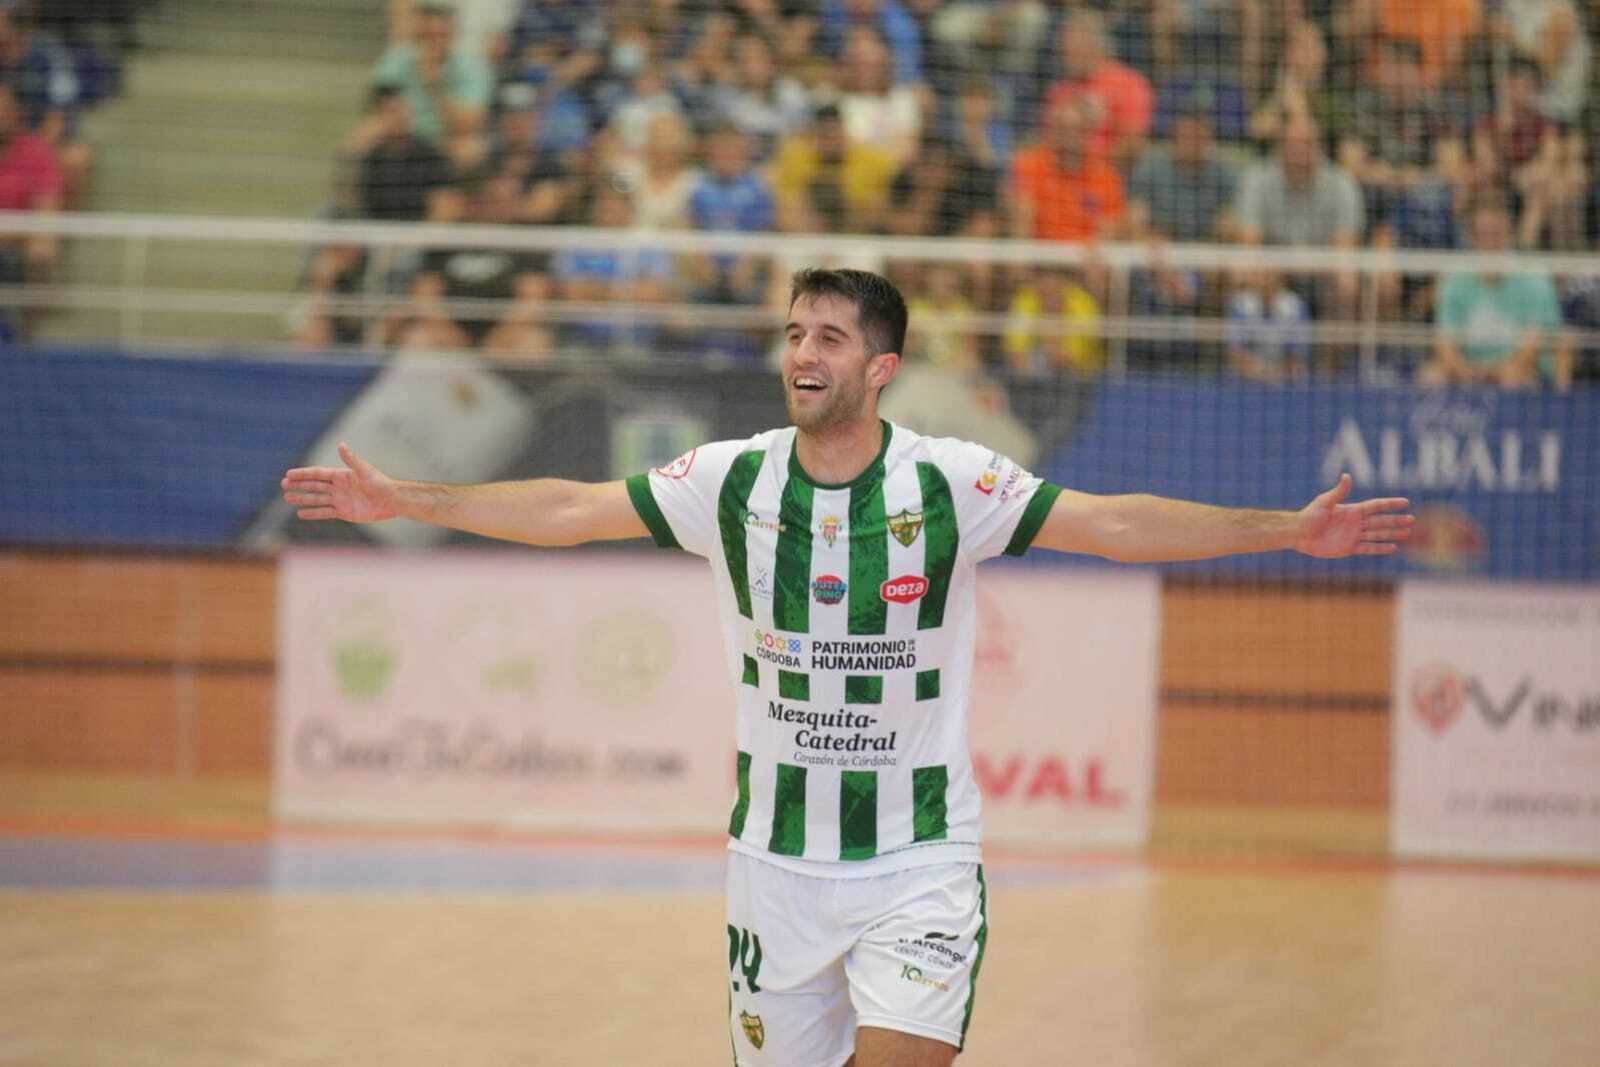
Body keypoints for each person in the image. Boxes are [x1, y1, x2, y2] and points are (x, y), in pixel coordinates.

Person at [282, 267, 1414, 1066]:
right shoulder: (728, 478)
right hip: (772, 863)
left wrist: (1278, 527)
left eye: (825, 337)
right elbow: (572, 505)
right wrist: (408, 499)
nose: (800, 354)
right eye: (790, 333)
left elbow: (1115, 524)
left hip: (917, 856)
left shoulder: (950, 482)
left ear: (880, 367)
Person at [1420, 197, 1568, 388]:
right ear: (1472, 238)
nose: (1490, 242)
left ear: (1509, 234)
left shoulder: (1534, 280)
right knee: (1431, 377)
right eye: (1483, 234)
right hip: (1467, 367)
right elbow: (1445, 341)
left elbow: (1530, 348)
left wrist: (1496, 372)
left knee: (1512, 379)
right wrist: (1464, 371)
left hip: (1521, 370)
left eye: (1497, 234)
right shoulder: (1454, 280)